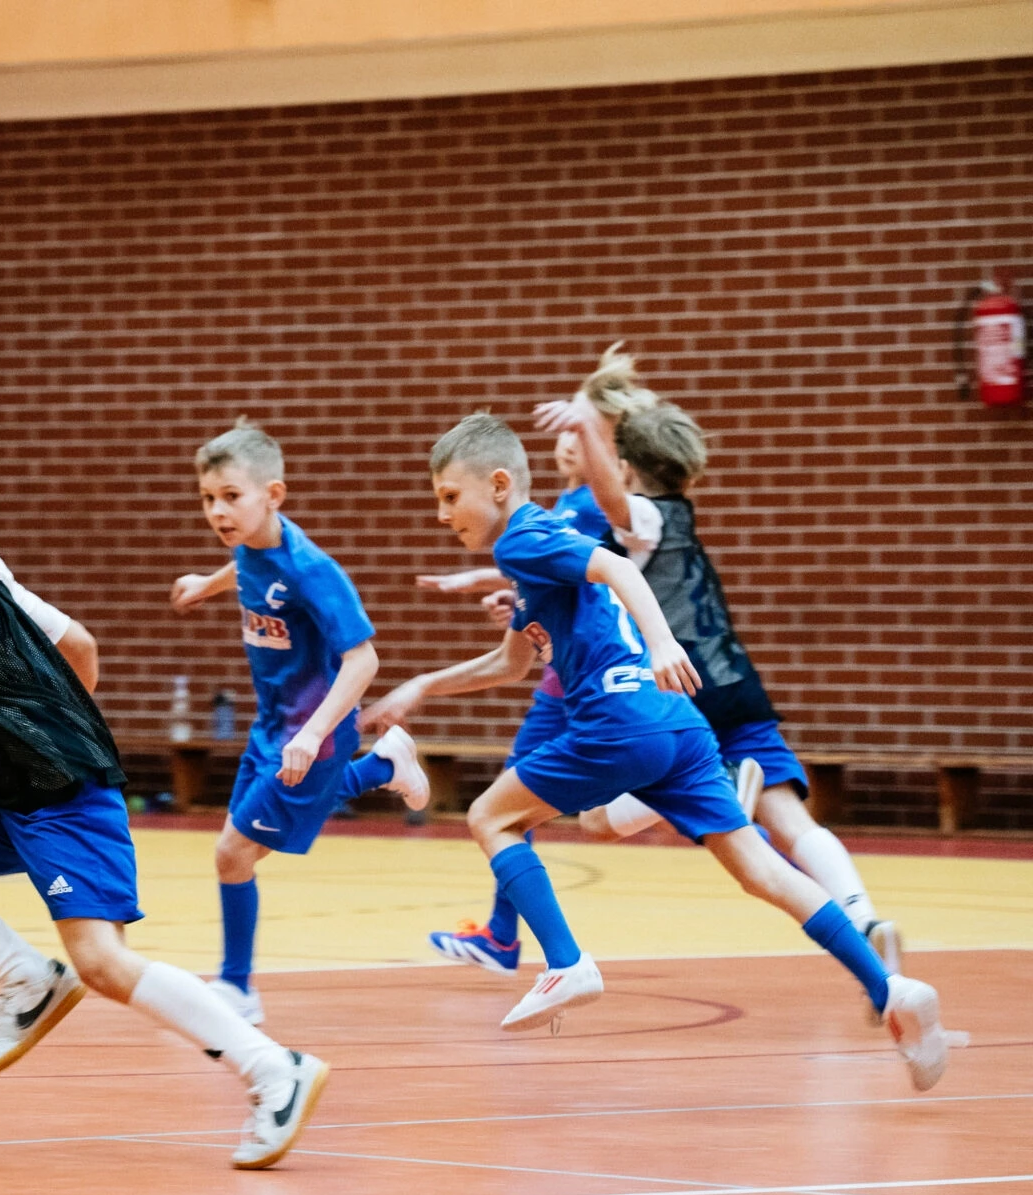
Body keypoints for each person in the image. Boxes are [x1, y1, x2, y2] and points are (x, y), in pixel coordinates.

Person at [361, 414, 946, 1090]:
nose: (441, 514)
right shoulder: (535, 554)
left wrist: (664, 642)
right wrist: (423, 686)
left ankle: (566, 962)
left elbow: (615, 567)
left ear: (497, 485)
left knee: (491, 817)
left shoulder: (522, 537)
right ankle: (890, 990)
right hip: (679, 726)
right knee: (762, 871)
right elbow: (511, 663)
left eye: (449, 496)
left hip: (617, 721)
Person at [0, 425, 328, 1169]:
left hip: (62, 799)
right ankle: (26, 977)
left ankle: (273, 1068)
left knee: (102, 963)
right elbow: (82, 647)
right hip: (19, 791)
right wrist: (56, 726)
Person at [535, 346, 903, 1014]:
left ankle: (729, 787)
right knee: (791, 820)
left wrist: (585, 424)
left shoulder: (644, 520)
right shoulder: (681, 516)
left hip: (686, 694)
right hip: (740, 687)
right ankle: (865, 918)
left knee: (597, 820)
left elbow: (613, 499)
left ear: (626, 466)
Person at [414, 429, 764, 973]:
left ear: (613, 456)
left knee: (505, 809)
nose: (568, 442)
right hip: (573, 670)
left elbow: (599, 569)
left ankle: (517, 941)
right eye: (564, 433)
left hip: (592, 679)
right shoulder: (554, 507)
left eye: (583, 433)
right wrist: (508, 595)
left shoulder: (591, 503)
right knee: (579, 817)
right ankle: (504, 934)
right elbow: (556, 579)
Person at [166, 420, 428, 1025]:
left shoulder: (311, 569)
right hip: (271, 726)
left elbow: (364, 660)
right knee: (238, 853)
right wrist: (207, 585)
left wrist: (313, 735)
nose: (218, 511)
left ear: (273, 496)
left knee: (232, 852)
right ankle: (384, 765)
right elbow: (245, 567)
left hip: (316, 732)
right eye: (208, 498)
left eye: (231, 496)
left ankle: (238, 988)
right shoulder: (250, 546)